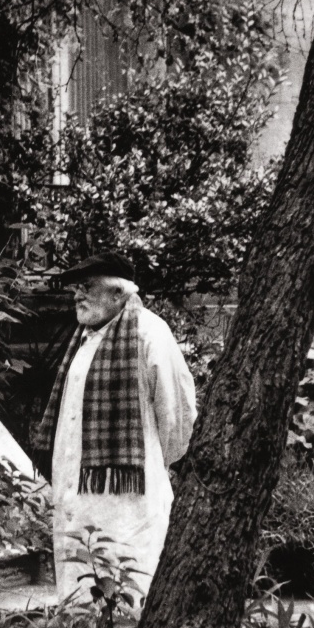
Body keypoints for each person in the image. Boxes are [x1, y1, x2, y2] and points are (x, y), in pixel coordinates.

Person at [34, 251, 196, 600]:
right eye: (76, 288)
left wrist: (152, 464)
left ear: (118, 294)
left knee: (129, 591)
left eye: (86, 287)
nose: (77, 295)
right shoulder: (84, 337)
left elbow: (177, 418)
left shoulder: (150, 334)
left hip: (131, 503)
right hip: (77, 504)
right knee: (79, 594)